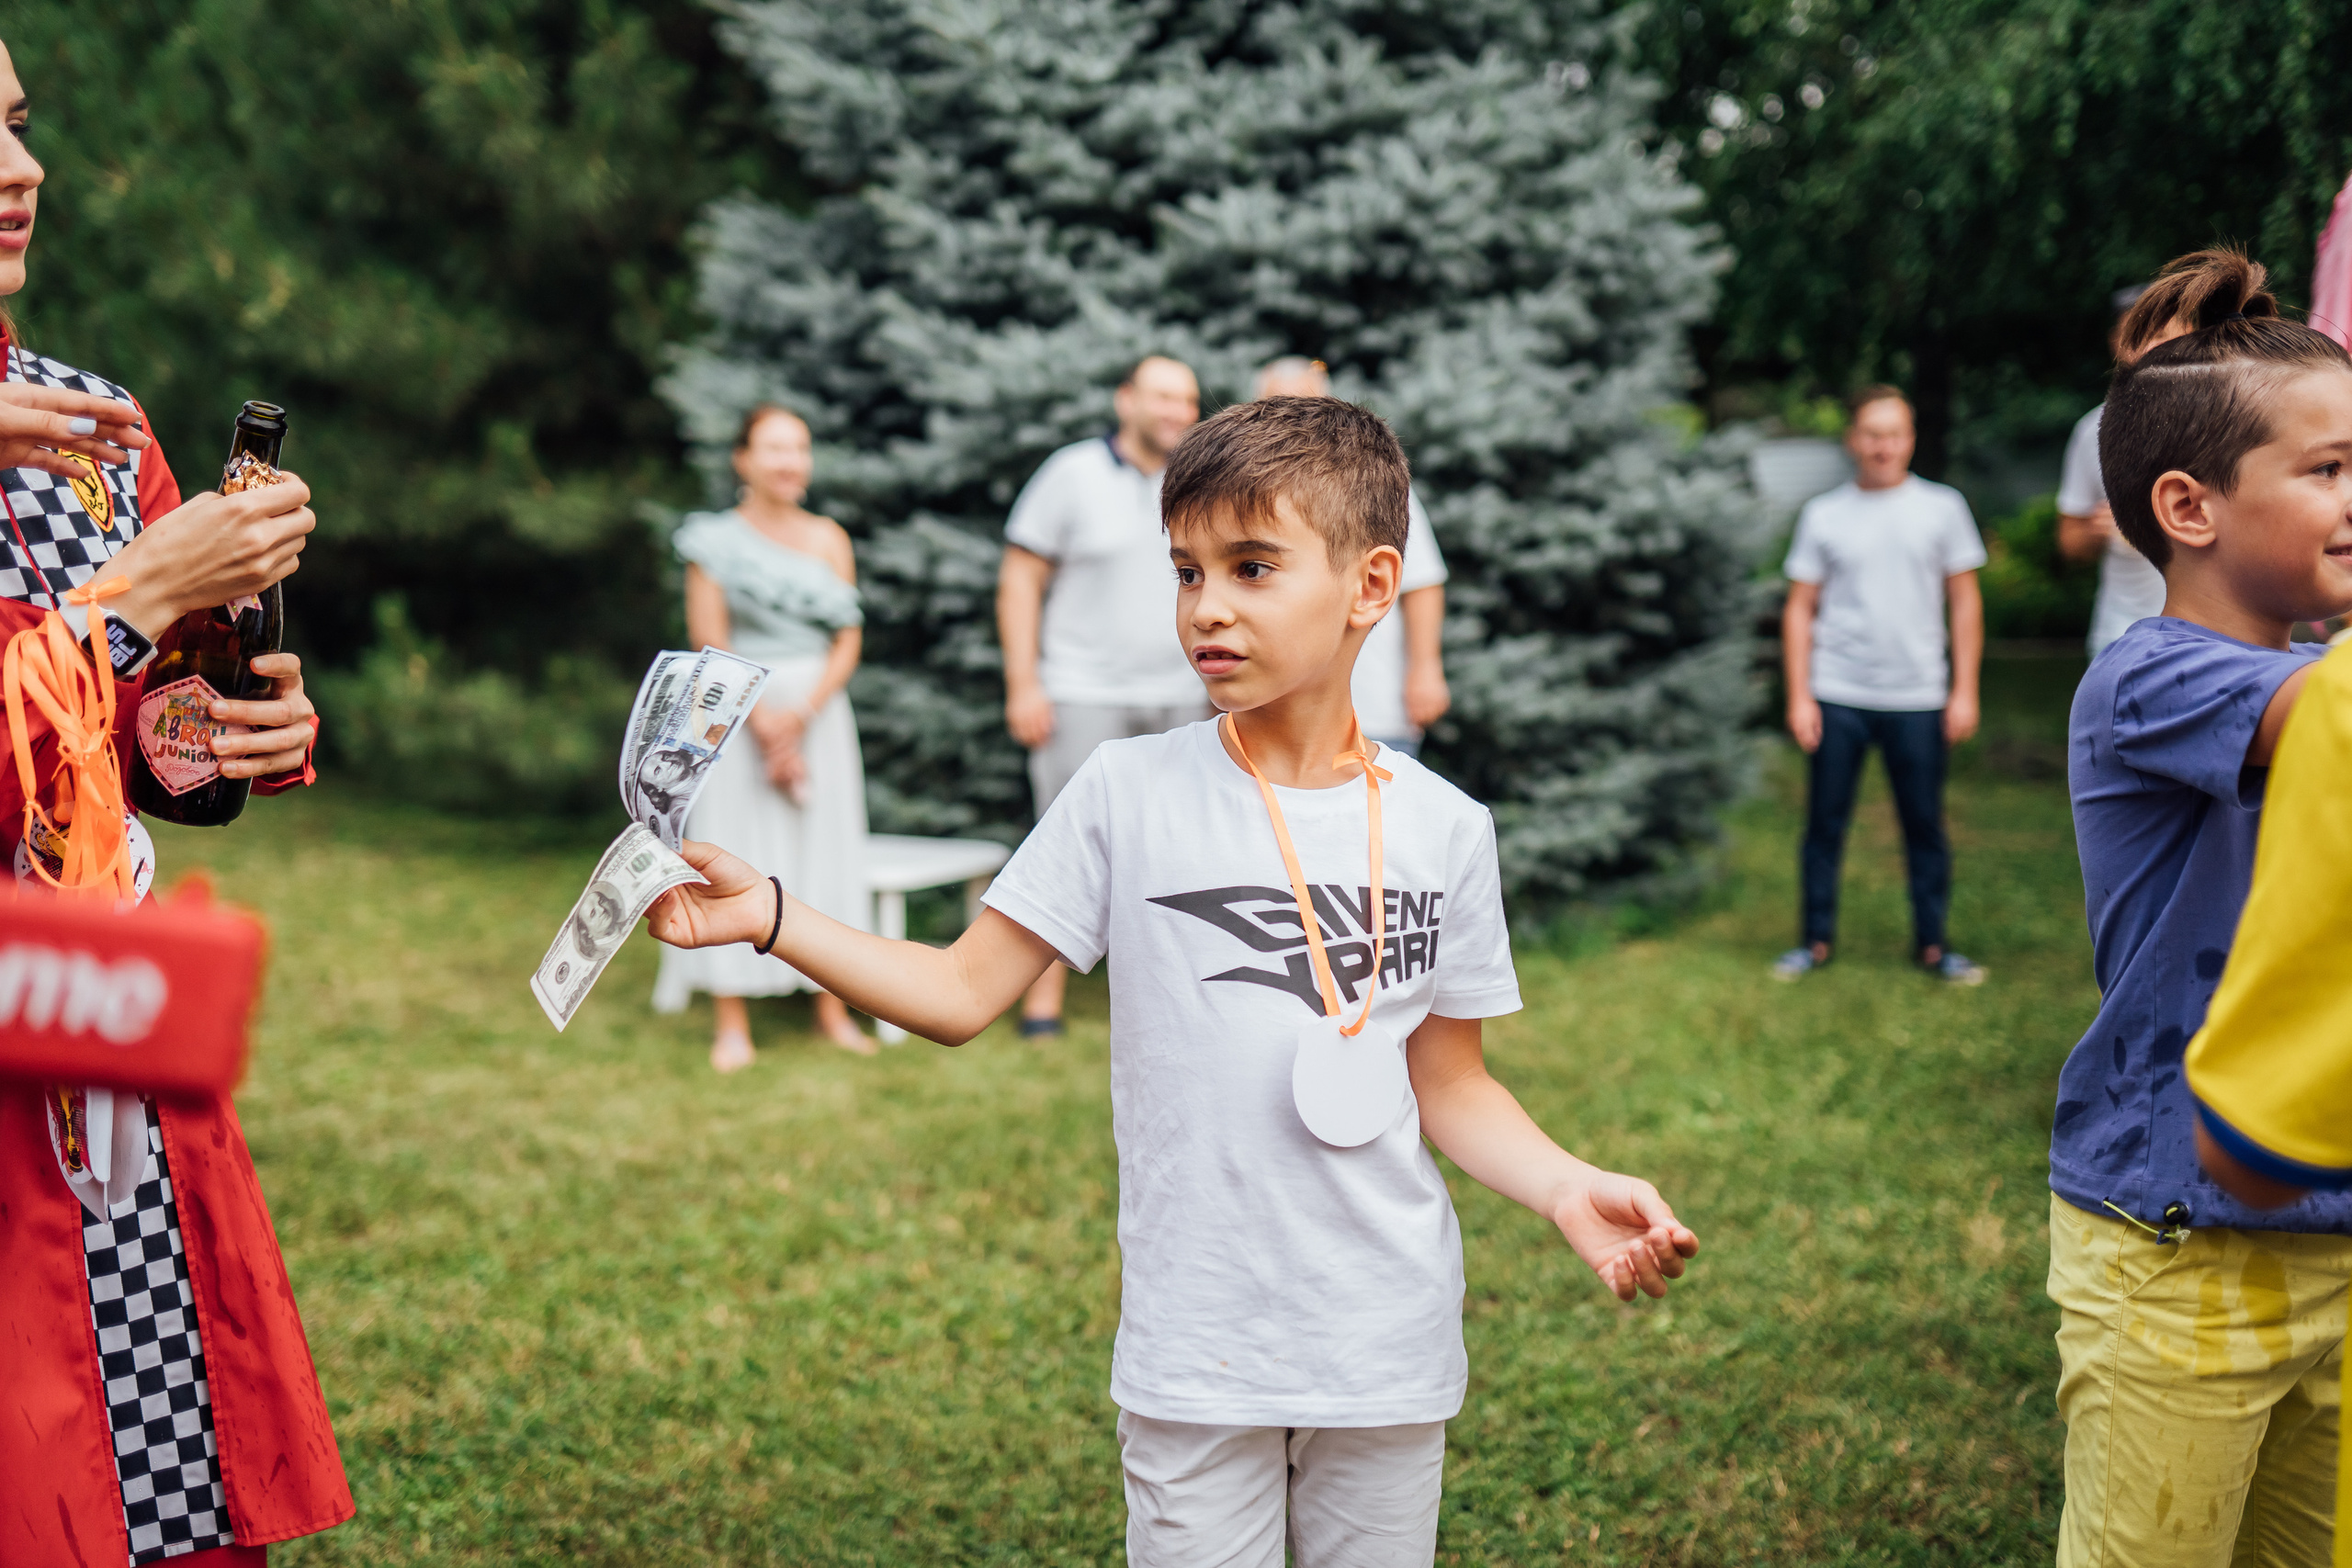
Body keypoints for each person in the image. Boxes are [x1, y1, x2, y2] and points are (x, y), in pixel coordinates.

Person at [647, 395, 1699, 1567]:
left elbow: (1448, 1082)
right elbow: (956, 992)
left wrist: (1562, 1189)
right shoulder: (1123, 790)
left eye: (1252, 567)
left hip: (1384, 1344)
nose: (1208, 607)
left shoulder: (1446, 827)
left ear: (1369, 585)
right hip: (1198, 1349)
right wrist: (775, 916)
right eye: (1186, 572)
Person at [0, 38, 354, 1565]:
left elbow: (128, 731)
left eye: (16, 125)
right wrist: (138, 595)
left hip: (99, 1047)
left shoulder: (88, 422)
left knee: (152, 1465)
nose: (22, 172)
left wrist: (202, 732)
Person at [2047, 247, 2352, 1568]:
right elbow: (2319, 724)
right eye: (2331, 469)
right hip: (2174, 1248)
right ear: (2190, 505)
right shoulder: (2152, 681)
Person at [652, 404, 873, 1068]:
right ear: (743, 459)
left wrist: (800, 714)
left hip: (820, 713)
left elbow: (848, 638)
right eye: (775, 448)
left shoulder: (831, 537)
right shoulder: (713, 541)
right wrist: (759, 720)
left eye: (799, 448)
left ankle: (831, 1005)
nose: (790, 462)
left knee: (824, 847)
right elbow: (708, 638)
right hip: (731, 707)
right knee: (733, 847)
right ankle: (731, 1019)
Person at [997, 354, 1209, 1036]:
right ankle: (1041, 1004)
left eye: (1188, 399)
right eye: (1162, 396)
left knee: (1178, 849)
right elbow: (1020, 579)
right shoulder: (1071, 474)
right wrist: (1024, 681)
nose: (1178, 410)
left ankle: (1175, 1001)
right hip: (1081, 688)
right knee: (1059, 843)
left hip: (1183, 693)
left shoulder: (1204, 483)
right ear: (1126, 401)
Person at [1774, 386, 1988, 984]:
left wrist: (1963, 689)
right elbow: (1800, 608)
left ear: (1910, 438)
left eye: (1894, 433)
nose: (1883, 446)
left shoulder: (1943, 508)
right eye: (1872, 434)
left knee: (1924, 824)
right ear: (1852, 439)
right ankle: (1814, 940)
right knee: (1824, 824)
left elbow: (1965, 603)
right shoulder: (1824, 513)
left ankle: (1934, 944)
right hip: (1837, 691)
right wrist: (1800, 695)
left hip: (1919, 695)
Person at [1250, 357, 1450, 754]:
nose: (1293, 420)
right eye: (1278, 407)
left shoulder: (1369, 482)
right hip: (1267, 712)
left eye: (1307, 406)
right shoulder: (1242, 492)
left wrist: (1425, 669)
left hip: (1371, 708)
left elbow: (1421, 580)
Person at [2054, 286, 2183, 659]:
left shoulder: (2220, 424)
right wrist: (2099, 531)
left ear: (2184, 339)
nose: (2147, 349)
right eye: (2135, 337)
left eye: (2159, 335)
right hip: (2119, 634)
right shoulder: (2090, 431)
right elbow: (2069, 541)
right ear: (2116, 344)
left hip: (2207, 631)